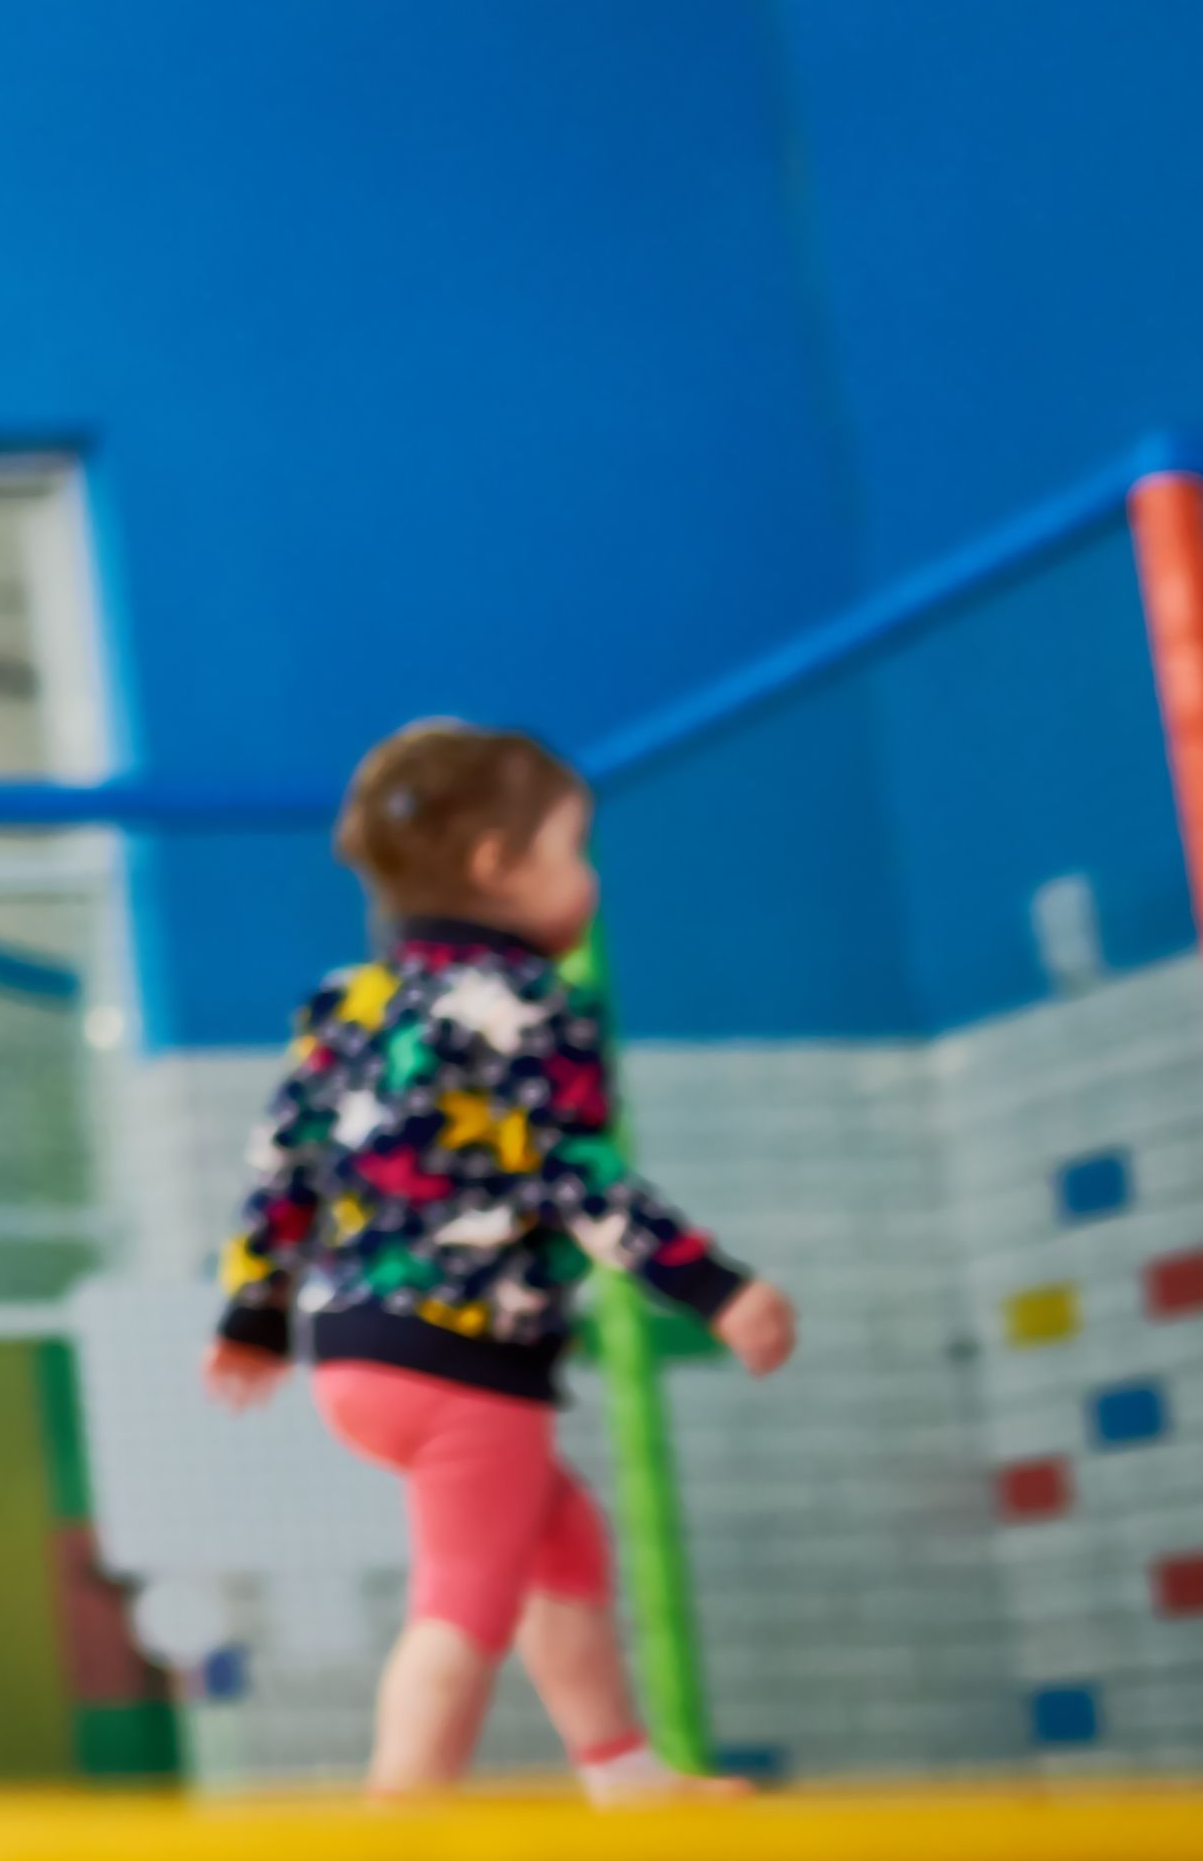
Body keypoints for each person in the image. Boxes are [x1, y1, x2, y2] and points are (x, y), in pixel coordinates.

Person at [205, 719, 799, 1800]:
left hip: (353, 1352)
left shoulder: (351, 1001)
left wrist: (253, 1314)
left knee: (562, 1547)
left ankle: (621, 1769)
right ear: (497, 866)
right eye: (574, 853)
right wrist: (714, 1287)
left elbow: (282, 1165)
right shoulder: (535, 1006)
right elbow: (575, 1177)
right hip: (461, 1361)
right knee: (465, 1600)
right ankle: (404, 1815)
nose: (592, 885)